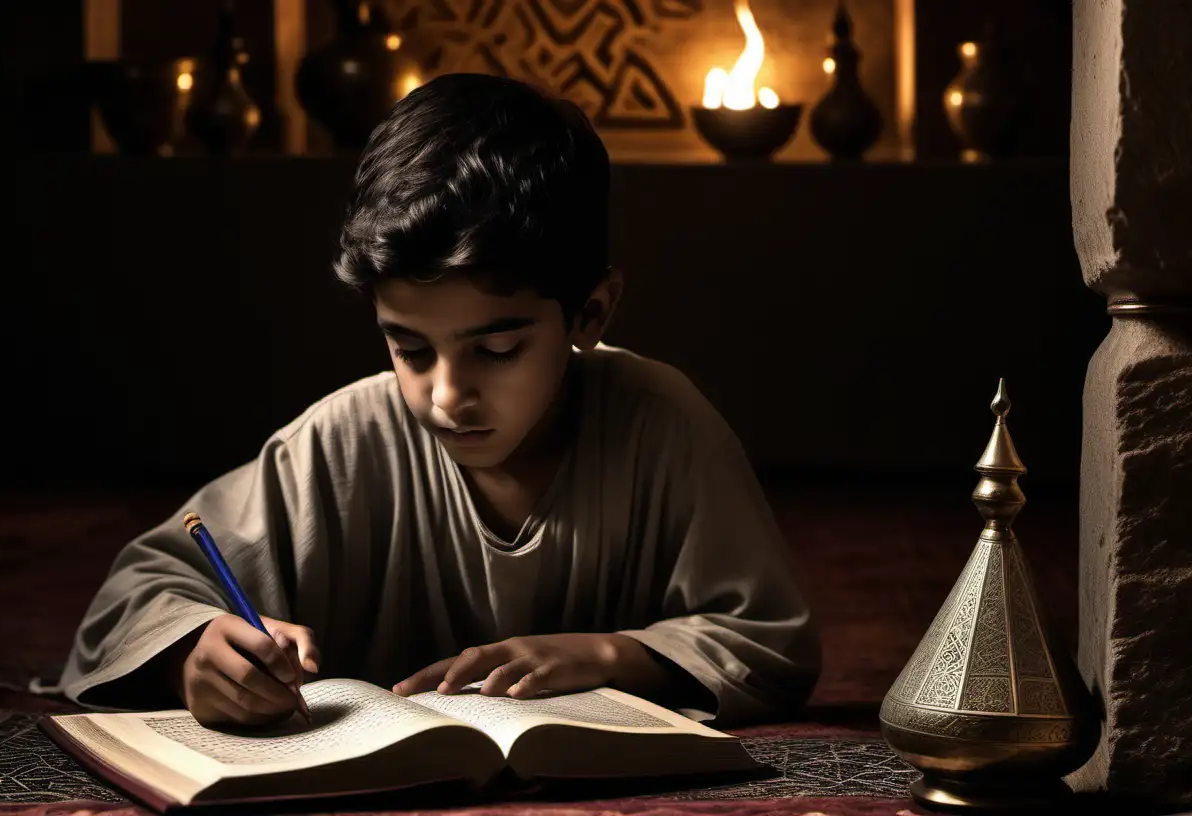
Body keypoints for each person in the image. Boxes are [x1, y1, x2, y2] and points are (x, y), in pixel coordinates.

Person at [59, 73, 820, 728]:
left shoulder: (663, 424)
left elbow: (770, 642)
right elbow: (134, 599)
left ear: (590, 314)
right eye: (410, 349)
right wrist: (198, 655)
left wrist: (611, 656)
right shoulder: (344, 442)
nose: (447, 395)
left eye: (496, 350)